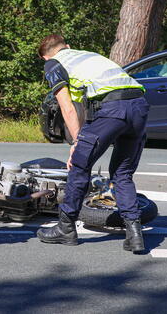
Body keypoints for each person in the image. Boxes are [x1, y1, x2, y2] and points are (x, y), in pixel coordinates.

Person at [36, 34, 149, 253]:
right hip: (139, 107)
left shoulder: (53, 64)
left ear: (44, 57)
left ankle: (65, 228)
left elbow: (67, 108)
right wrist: (77, 142)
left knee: (79, 166)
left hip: (113, 109)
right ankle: (134, 234)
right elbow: (79, 111)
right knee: (122, 173)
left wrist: (77, 146)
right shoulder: (87, 56)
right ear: (67, 46)